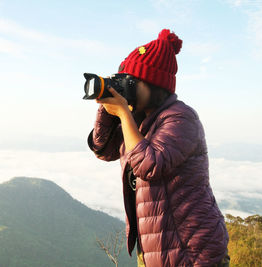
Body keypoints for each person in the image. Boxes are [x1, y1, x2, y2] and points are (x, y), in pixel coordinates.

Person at [87, 29, 230, 266]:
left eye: (130, 82)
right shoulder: (139, 119)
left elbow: (150, 165)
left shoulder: (181, 118)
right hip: (157, 250)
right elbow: (104, 150)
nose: (126, 88)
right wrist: (106, 106)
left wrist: (123, 112)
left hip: (193, 252)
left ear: (155, 84)